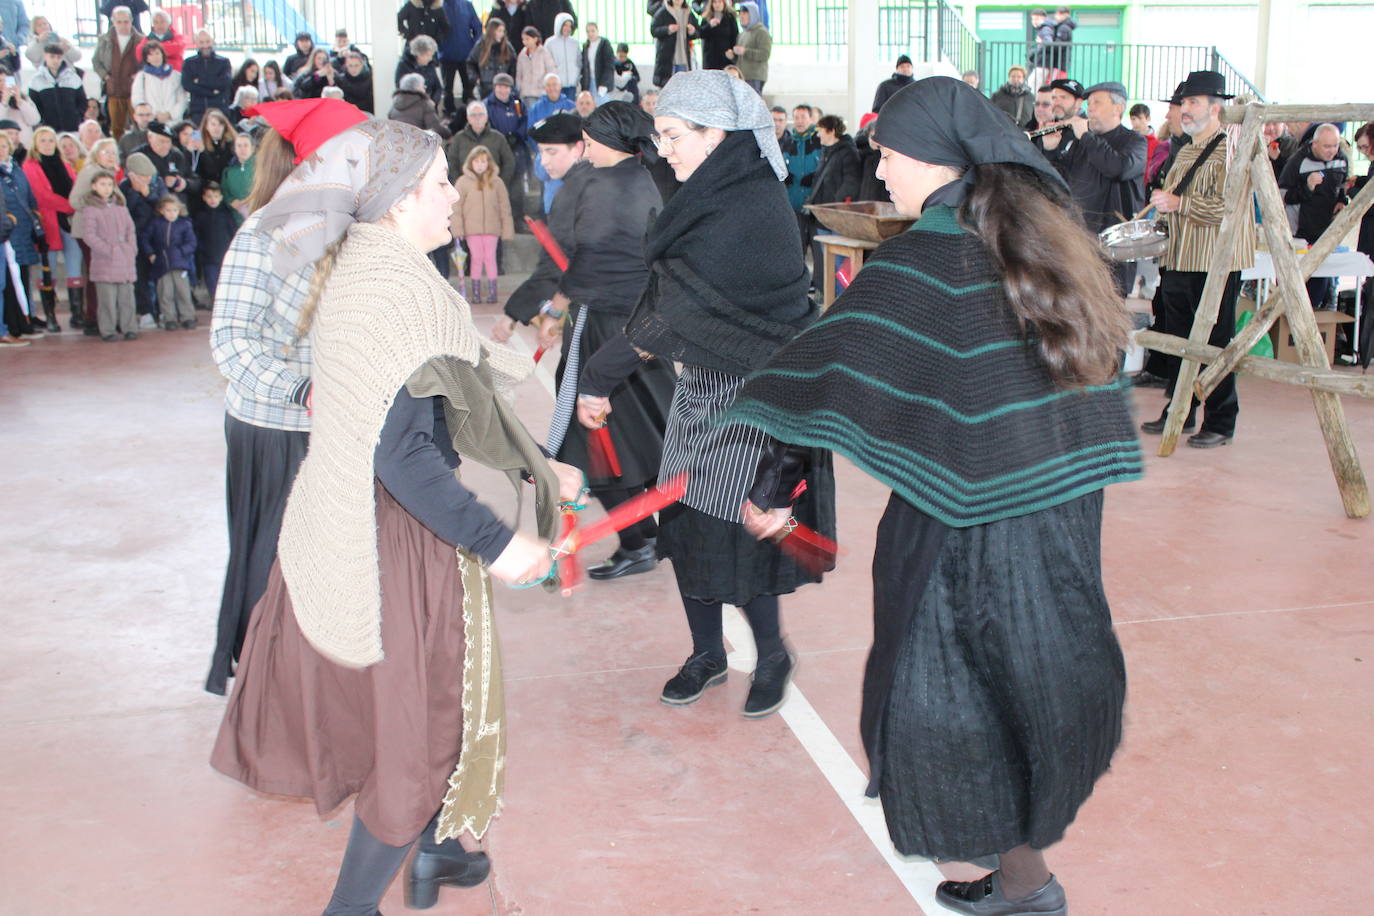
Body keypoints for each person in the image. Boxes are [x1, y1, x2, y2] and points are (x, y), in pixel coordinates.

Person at [727, 75, 1140, 916]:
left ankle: (1028, 888)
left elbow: (823, 369)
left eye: (885, 156)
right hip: (1056, 510)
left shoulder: (929, 256)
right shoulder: (1046, 239)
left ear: (931, 157)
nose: (878, 174)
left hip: (963, 524)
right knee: (1017, 680)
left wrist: (775, 486)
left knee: (944, 695)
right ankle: (1021, 874)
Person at [211, 115, 583, 916]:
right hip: (387, 539)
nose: (455, 195)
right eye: (440, 183)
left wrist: (533, 465)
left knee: (413, 723)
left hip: (367, 524)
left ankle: (430, 857)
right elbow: (404, 455)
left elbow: (453, 399)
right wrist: (497, 540)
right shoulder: (389, 291)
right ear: (397, 199)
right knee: (415, 737)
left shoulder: (387, 272)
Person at [619, 70, 833, 715]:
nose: (666, 150)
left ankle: (771, 655)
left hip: (755, 397)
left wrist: (617, 366)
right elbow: (674, 300)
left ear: (719, 135)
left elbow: (695, 308)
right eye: (660, 136)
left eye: (676, 135)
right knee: (683, 524)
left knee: (745, 533)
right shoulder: (703, 196)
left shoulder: (752, 206)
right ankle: (707, 652)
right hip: (699, 392)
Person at [204, 99, 369, 696]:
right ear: (318, 163)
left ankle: (310, 683)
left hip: (331, 426)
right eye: (354, 156)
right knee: (274, 563)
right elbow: (231, 342)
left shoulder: (350, 232)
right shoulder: (264, 232)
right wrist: (301, 387)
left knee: (322, 562)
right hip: (272, 428)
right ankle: (265, 685)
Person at [512, 106, 681, 581]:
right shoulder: (642, 178)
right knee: (650, 431)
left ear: (605, 140)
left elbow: (580, 261)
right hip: (642, 327)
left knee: (587, 444)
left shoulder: (605, 186)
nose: (584, 147)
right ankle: (654, 534)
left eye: (586, 140)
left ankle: (639, 539)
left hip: (604, 328)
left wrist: (550, 307)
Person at [1141, 70, 1255, 449]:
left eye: (1192, 102)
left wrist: (1178, 203)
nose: (1183, 110)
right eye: (1182, 103)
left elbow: (1230, 207)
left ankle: (1221, 420)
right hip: (1178, 257)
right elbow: (1175, 200)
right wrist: (1163, 206)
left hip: (1213, 260)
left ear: (1216, 107)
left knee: (1215, 342)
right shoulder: (1186, 148)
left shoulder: (1232, 149)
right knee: (1177, 339)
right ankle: (1180, 409)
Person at [1039, 80, 1145, 294]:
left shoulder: (1134, 141)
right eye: (1089, 103)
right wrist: (1050, 150)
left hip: (1114, 246)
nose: (1091, 108)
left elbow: (1117, 168)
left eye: (1097, 102)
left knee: (1109, 312)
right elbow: (1058, 182)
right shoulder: (1082, 142)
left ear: (1118, 108)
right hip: (1079, 240)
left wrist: (1086, 136)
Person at [1280, 123, 1348, 310]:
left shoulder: (1341, 159)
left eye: (1335, 146)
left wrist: (1342, 202)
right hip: (1299, 233)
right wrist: (1307, 187)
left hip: (1325, 232)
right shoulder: (1297, 161)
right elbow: (1283, 196)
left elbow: (1341, 188)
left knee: (1320, 284)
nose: (1331, 151)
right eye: (1327, 146)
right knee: (1296, 285)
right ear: (1315, 143)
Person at [23, 126, 80, 331]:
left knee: (74, 266)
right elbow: (41, 195)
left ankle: (77, 313)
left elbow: (76, 186)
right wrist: (70, 205)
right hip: (48, 223)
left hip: (69, 222)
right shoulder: (30, 166)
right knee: (49, 270)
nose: (48, 144)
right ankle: (50, 315)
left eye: (50, 140)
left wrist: (73, 204)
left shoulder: (64, 163)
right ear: (36, 144)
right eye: (43, 141)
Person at [82, 168, 139, 340]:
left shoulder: (121, 207)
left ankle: (129, 327)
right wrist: (108, 249)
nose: (106, 188)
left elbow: (131, 229)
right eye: (102, 184)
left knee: (127, 297)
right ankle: (107, 330)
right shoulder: (91, 210)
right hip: (105, 261)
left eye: (109, 184)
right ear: (94, 186)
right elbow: (89, 235)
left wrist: (131, 248)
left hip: (125, 259)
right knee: (107, 299)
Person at [451, 145, 512, 302]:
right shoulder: (463, 182)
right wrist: (457, 228)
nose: (480, 165)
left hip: (492, 229)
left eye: (483, 161)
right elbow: (456, 207)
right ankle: (476, 293)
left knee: (490, 258)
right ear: (470, 162)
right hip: (472, 229)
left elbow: (504, 206)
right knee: (477, 258)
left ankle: (492, 293)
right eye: (476, 161)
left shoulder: (497, 182)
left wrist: (507, 229)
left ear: (489, 163)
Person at [804, 113, 861, 279]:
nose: (818, 134)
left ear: (830, 131)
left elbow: (851, 182)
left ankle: (841, 298)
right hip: (823, 216)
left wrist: (836, 204)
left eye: (820, 130)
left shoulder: (847, 152)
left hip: (836, 218)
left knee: (840, 264)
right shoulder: (827, 152)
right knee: (828, 263)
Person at [119, 150, 166, 324]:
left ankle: (162, 310)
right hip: (136, 238)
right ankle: (145, 310)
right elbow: (124, 211)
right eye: (141, 176)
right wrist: (134, 192)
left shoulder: (157, 183)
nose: (146, 179)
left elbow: (165, 205)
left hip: (156, 238)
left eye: (148, 176)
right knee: (140, 277)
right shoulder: (124, 187)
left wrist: (148, 194)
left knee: (159, 275)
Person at [142, 192, 195, 329]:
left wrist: (181, 252)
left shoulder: (185, 224)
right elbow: (145, 239)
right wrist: (151, 253)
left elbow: (192, 242)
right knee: (165, 293)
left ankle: (187, 317)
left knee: (183, 292)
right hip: (162, 264)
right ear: (161, 210)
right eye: (168, 210)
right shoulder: (155, 223)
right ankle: (169, 318)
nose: (172, 213)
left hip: (180, 264)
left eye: (175, 210)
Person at [92, 6, 143, 138]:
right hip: (113, 90)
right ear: (113, 22)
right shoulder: (104, 40)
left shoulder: (141, 40)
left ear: (131, 20)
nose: (123, 25)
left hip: (135, 92)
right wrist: (106, 76)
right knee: (116, 128)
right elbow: (96, 61)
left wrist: (139, 75)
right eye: (119, 22)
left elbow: (147, 61)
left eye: (126, 21)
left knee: (139, 126)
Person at [782, 102, 820, 268]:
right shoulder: (788, 143)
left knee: (819, 251)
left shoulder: (819, 142)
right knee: (796, 250)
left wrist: (815, 177)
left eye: (803, 117)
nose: (799, 121)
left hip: (815, 207)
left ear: (811, 119)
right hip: (794, 206)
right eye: (796, 117)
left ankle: (820, 290)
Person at [447, 98, 514, 186]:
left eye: (480, 114)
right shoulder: (459, 138)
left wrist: (500, 183)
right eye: (473, 115)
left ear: (486, 117)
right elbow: (452, 162)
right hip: (466, 189)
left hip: (492, 187)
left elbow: (509, 162)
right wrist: (460, 183)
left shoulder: (498, 138)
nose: (477, 118)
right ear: (468, 118)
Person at [28, 42, 87, 132]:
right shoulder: (36, 80)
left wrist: (76, 116)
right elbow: (34, 104)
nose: (55, 60)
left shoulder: (73, 77)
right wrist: (43, 121)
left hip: (72, 128)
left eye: (59, 57)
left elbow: (82, 101)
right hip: (48, 129)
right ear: (44, 56)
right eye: (52, 56)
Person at [193, 180, 236, 296]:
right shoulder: (200, 216)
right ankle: (215, 305)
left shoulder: (226, 214)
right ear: (204, 198)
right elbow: (196, 236)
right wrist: (201, 252)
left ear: (221, 197)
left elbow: (233, 233)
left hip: (225, 256)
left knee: (226, 283)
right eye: (209, 196)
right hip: (208, 258)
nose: (213, 199)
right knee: (212, 284)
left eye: (216, 196)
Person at [130, 40, 187, 124]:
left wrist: (170, 114)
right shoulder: (141, 77)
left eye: (157, 53)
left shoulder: (175, 75)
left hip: (174, 122)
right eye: (151, 54)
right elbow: (137, 98)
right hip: (152, 121)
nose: (155, 57)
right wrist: (154, 115)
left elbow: (182, 99)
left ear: (162, 55)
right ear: (147, 58)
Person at [182, 29, 232, 123]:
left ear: (212, 41)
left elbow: (225, 83)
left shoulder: (224, 62)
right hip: (197, 113)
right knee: (196, 137)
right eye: (201, 42)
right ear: (196, 43)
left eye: (207, 41)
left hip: (220, 111)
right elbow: (187, 85)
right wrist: (212, 92)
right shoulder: (189, 63)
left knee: (221, 138)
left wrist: (199, 81)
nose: (205, 45)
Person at [651, 0, 698, 89]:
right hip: (667, 57)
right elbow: (653, 30)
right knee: (668, 88)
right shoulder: (663, 11)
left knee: (683, 88)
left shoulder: (688, 12)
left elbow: (698, 32)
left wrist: (692, 31)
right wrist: (667, 29)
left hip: (684, 57)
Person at [467, 17, 516, 100]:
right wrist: (475, 78)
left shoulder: (507, 47)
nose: (502, 34)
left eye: (503, 31)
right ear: (492, 31)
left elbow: (513, 65)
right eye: (499, 31)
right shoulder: (480, 46)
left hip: (503, 87)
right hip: (485, 88)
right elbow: (470, 63)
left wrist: (510, 81)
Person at [391, 72, 451, 137]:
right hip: (417, 142)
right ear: (418, 87)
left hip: (398, 142)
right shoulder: (425, 104)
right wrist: (449, 133)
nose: (424, 89)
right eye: (423, 86)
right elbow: (435, 128)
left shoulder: (394, 105)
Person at [731, 1, 769, 94]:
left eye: (745, 13)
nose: (741, 16)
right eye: (740, 14)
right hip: (742, 77)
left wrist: (745, 51)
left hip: (754, 77)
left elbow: (765, 54)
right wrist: (732, 56)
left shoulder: (762, 32)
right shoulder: (742, 34)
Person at [397, 35, 444, 111]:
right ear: (418, 54)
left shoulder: (430, 64)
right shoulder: (404, 65)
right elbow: (401, 89)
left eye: (431, 55)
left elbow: (438, 87)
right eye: (428, 55)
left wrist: (434, 101)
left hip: (430, 108)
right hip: (412, 109)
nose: (430, 58)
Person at [219, 129, 254, 220]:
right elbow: (224, 192)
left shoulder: (260, 167)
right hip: (236, 217)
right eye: (239, 146)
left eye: (246, 145)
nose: (242, 149)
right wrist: (231, 201)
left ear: (252, 148)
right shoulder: (228, 171)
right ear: (234, 149)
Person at [515, 26, 555, 101]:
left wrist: (545, 84)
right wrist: (519, 87)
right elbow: (519, 73)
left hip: (541, 92)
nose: (524, 42)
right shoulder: (522, 54)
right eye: (523, 39)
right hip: (526, 92)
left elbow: (551, 70)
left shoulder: (544, 52)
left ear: (535, 39)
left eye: (527, 39)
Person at [545, 12, 580, 100]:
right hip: (556, 85)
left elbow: (579, 63)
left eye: (570, 26)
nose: (568, 28)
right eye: (565, 25)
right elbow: (546, 64)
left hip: (572, 85)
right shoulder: (550, 43)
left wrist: (577, 79)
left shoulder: (575, 43)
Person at [697, 0, 736, 71]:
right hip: (710, 59)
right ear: (711, 4)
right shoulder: (706, 18)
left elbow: (734, 36)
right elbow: (700, 34)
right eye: (715, 2)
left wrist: (732, 52)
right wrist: (709, 25)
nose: (717, 5)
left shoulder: (730, 17)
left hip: (725, 59)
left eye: (720, 2)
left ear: (724, 3)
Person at [579, 21, 613, 101]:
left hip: (601, 81)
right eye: (588, 31)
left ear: (597, 31)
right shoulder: (586, 46)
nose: (590, 34)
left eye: (593, 31)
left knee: (602, 104)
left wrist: (605, 83)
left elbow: (609, 65)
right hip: (589, 81)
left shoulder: (604, 44)